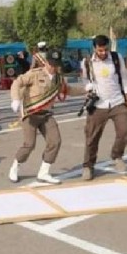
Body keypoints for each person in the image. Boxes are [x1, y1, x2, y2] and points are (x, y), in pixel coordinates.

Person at [9, 50, 86, 184]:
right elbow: (17, 83)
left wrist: (86, 89)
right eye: (51, 64)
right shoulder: (34, 74)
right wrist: (15, 99)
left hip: (46, 114)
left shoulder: (58, 79)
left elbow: (68, 90)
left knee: (55, 141)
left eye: (56, 65)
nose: (53, 67)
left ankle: (44, 172)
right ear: (46, 62)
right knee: (29, 144)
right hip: (30, 114)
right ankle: (15, 166)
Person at [80, 35, 127, 180]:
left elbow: (124, 78)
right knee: (91, 137)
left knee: (126, 129)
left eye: (105, 50)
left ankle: (117, 155)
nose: (103, 53)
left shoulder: (116, 58)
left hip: (117, 101)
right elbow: (85, 80)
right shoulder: (87, 62)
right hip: (98, 105)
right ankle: (88, 166)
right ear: (94, 48)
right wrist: (88, 87)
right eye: (100, 50)